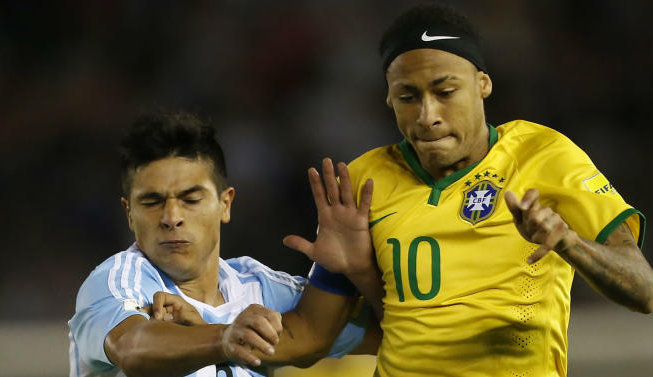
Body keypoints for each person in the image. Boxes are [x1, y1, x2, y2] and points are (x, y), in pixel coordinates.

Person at [282, 4, 653, 377]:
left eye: (445, 92)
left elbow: (644, 291)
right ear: (389, 98)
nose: (428, 116)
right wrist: (359, 272)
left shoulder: (543, 155)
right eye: (408, 97)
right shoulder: (364, 182)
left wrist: (570, 244)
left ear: (483, 84)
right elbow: (315, 337)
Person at [67, 111, 376, 377]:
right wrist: (223, 338)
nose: (171, 217)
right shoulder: (115, 282)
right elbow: (130, 347)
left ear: (225, 204)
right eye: (151, 202)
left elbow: (400, 329)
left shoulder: (262, 291)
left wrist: (356, 272)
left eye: (190, 199)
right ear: (129, 214)